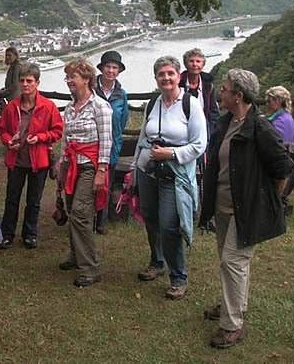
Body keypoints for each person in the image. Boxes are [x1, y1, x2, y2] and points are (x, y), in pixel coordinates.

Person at [199, 69, 293, 348]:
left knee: (233, 262)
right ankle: (233, 305)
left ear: (239, 96)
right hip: (224, 206)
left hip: (246, 209)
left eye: (225, 90)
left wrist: (267, 202)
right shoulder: (227, 123)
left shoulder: (260, 127)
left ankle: (232, 325)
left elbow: (283, 168)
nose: (221, 94)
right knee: (231, 263)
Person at [127, 56, 206, 301]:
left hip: (175, 175)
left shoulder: (190, 105)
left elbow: (200, 144)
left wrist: (171, 153)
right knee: (150, 218)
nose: (166, 78)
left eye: (170, 73)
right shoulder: (153, 105)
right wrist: (133, 170)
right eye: (161, 74)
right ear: (156, 78)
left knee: (170, 225)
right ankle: (157, 260)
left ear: (179, 76)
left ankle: (179, 277)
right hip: (148, 172)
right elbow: (143, 139)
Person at [57, 59, 112, 288]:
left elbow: (106, 141)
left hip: (90, 165)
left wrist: (101, 171)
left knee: (80, 212)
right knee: (72, 209)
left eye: (73, 77)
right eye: (67, 77)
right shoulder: (70, 108)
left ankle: (90, 268)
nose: (69, 81)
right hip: (72, 165)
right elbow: (65, 140)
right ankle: (75, 255)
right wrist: (61, 167)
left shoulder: (100, 107)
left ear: (86, 79)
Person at [0, 64, 63, 250]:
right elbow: (3, 130)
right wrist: (8, 141)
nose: (25, 84)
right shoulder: (11, 107)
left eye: (29, 81)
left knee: (34, 200)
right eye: (22, 81)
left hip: (38, 161)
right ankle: (7, 234)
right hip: (16, 160)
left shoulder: (48, 107)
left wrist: (41, 138)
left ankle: (30, 235)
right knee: (12, 199)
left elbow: (57, 130)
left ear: (37, 83)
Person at [179, 48, 220, 216]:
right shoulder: (179, 82)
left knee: (205, 170)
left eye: (198, 61)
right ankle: (190, 208)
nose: (195, 65)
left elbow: (213, 111)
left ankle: (204, 208)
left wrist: (214, 132)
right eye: (191, 61)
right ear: (185, 64)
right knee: (187, 169)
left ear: (203, 64)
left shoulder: (208, 85)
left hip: (205, 129)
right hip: (183, 129)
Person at [94, 50, 128, 235]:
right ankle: (85, 217)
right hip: (92, 144)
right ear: (101, 68)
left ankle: (101, 220)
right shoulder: (92, 90)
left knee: (106, 183)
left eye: (115, 67)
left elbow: (122, 121)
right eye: (108, 66)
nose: (111, 71)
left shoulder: (121, 94)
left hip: (111, 146)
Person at [265, 85, 294, 215]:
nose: (267, 104)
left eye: (270, 101)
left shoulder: (279, 122)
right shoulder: (287, 118)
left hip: (277, 165)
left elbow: (272, 147)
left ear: (278, 101)